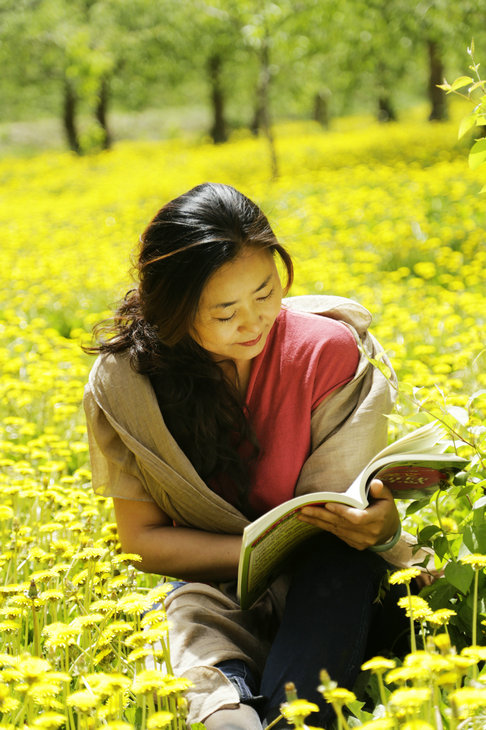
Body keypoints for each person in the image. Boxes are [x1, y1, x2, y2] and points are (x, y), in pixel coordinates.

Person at [84, 182, 428, 729]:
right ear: (172, 308)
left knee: (339, 566)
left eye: (266, 293)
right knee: (212, 686)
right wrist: (254, 556)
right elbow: (142, 540)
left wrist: (380, 529)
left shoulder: (327, 350)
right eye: (224, 313)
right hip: (216, 591)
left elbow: (350, 509)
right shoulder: (128, 383)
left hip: (336, 582)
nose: (254, 323)